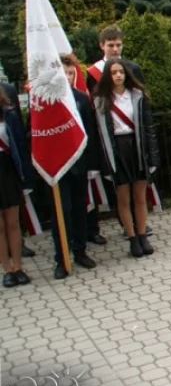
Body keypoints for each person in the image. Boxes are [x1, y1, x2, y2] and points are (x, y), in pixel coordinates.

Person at [93, 59, 160, 258]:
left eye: (121, 71)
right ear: (108, 76)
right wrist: (105, 164)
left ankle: (142, 235)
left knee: (140, 197)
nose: (118, 76)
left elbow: (149, 128)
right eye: (113, 72)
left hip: (137, 147)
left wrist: (153, 157)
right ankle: (131, 238)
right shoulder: (101, 100)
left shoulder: (138, 96)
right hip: (117, 150)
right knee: (123, 198)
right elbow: (99, 135)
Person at [85, 24, 146, 243]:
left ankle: (140, 228)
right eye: (110, 45)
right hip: (112, 139)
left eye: (118, 44)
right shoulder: (93, 73)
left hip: (134, 141)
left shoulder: (131, 68)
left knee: (139, 190)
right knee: (120, 190)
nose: (115, 49)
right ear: (102, 45)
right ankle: (128, 229)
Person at [53, 56, 101, 279]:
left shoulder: (81, 99)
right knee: (61, 212)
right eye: (63, 73)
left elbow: (90, 133)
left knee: (80, 209)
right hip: (56, 167)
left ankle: (80, 251)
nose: (68, 77)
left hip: (79, 165)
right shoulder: (45, 102)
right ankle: (62, 258)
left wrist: (92, 165)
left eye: (71, 73)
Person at [0, 82, 34, 288]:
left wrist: (27, 178)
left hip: (8, 169)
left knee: (13, 223)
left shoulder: (9, 113)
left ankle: (18, 266)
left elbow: (20, 144)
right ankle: (7, 269)